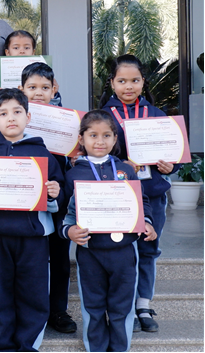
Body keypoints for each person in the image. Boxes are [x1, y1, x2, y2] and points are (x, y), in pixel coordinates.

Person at [0, 88, 64, 352]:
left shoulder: (44, 154)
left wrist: (55, 192)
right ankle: (2, 345)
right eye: (3, 113)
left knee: (33, 292)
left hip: (33, 235)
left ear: (28, 117)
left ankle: (28, 345)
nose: (11, 118)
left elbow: (59, 192)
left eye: (17, 112)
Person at [60, 110, 157, 352]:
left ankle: (120, 348)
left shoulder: (126, 170)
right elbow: (66, 213)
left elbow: (142, 202)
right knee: (93, 306)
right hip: (90, 251)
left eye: (106, 135)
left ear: (115, 138)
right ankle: (96, 348)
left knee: (121, 306)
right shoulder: (73, 174)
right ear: (81, 139)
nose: (100, 141)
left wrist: (147, 222)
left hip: (124, 251)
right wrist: (69, 231)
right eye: (93, 135)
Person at [99, 54, 180, 333]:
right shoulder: (103, 117)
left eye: (134, 80)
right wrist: (121, 164)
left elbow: (174, 155)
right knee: (121, 253)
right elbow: (94, 154)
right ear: (112, 83)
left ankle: (143, 305)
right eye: (122, 81)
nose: (128, 86)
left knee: (148, 250)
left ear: (143, 82)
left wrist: (170, 166)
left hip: (152, 195)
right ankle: (123, 307)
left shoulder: (157, 115)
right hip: (117, 196)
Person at [18, 62, 77, 333]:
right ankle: (31, 310)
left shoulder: (67, 122)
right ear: (21, 90)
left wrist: (77, 157)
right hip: (25, 202)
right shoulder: (15, 119)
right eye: (32, 87)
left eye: (45, 87)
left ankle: (58, 310)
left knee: (60, 258)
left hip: (58, 199)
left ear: (55, 89)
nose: (38, 92)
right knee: (31, 261)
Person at [0, 30, 62, 106]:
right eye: (16, 48)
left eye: (27, 48)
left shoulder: (42, 73)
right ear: (7, 52)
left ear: (33, 52)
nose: (22, 51)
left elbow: (56, 106)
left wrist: (54, 94)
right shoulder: (0, 78)